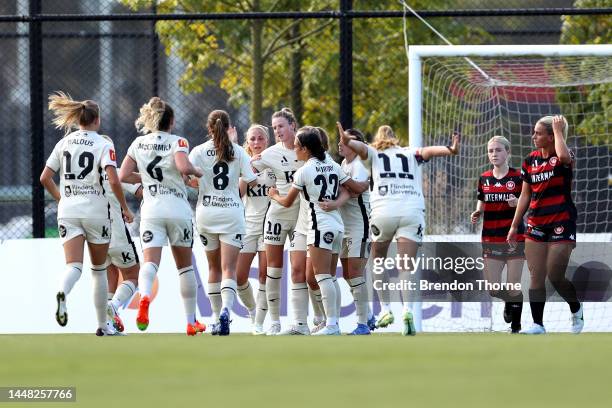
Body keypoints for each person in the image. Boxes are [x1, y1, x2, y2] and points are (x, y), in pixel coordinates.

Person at [338, 123, 460, 336]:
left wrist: (347, 140)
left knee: (377, 260)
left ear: (378, 138)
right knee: (407, 266)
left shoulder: (374, 153)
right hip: (412, 212)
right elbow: (429, 151)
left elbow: (360, 148)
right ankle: (407, 311)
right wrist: (450, 149)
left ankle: (386, 309)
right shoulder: (410, 152)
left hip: (384, 211)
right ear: (395, 139)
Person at [40, 91, 133, 336]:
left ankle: (62, 291)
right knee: (99, 270)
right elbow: (113, 179)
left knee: (73, 266)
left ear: (78, 118)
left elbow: (45, 178)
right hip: (95, 210)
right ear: (97, 120)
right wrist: (124, 207)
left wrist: (62, 199)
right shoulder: (103, 143)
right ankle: (102, 326)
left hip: (68, 210)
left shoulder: (64, 143)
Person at [119, 97, 205, 336]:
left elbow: (124, 175)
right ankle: (190, 321)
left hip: (151, 210)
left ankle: (144, 298)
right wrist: (198, 172)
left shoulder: (138, 142)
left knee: (150, 263)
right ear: (172, 121)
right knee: (185, 268)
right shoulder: (178, 141)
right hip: (177, 209)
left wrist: (146, 179)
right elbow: (184, 167)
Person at [268, 126, 366, 335]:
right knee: (329, 277)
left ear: (305, 149)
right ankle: (331, 323)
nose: (294, 150)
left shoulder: (304, 171)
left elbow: (286, 202)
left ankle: (331, 325)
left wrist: (274, 194)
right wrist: (368, 181)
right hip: (337, 226)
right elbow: (356, 188)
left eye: (296, 147)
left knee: (322, 277)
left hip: (319, 227)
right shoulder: (332, 165)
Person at [507, 115, 583, 335]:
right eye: (534, 132)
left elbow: (563, 156)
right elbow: (524, 195)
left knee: (555, 275)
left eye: (538, 133)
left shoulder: (564, 156)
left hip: (562, 221)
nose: (533, 137)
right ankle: (538, 325)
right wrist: (514, 225)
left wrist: (559, 131)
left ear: (551, 136)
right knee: (536, 275)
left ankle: (576, 308)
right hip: (536, 223)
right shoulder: (529, 160)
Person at [189, 110, 257, 336]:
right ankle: (227, 310)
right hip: (232, 213)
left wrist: (200, 184)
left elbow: (186, 176)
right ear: (229, 128)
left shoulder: (198, 151)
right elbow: (251, 180)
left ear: (208, 128)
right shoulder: (238, 151)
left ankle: (217, 318)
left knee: (213, 268)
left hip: (206, 213)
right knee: (229, 268)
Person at [251, 108, 305, 335]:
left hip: (302, 216)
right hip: (277, 215)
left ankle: (305, 323)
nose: (277, 131)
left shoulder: (307, 149)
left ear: (293, 125)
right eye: (274, 128)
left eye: (281, 126)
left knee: (300, 271)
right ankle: (274, 322)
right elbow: (247, 169)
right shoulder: (270, 153)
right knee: (274, 269)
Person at [320, 128, 374, 335]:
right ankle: (368, 315)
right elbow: (346, 189)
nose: (339, 144)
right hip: (344, 225)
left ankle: (362, 324)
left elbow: (356, 189)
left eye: (343, 141)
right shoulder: (343, 164)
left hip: (359, 225)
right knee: (349, 275)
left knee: (355, 273)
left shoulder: (360, 163)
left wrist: (335, 202)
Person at [470, 136, 524, 333]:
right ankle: (510, 300)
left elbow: (529, 203)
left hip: (514, 237)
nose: (494, 154)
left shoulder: (518, 177)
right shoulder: (484, 178)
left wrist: (517, 203)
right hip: (490, 237)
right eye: (491, 151)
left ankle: (516, 327)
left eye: (498, 150)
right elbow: (481, 200)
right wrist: (478, 211)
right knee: (493, 289)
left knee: (513, 285)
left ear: (508, 152)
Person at [235, 125, 275, 335]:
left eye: (261, 138)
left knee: (264, 275)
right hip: (248, 225)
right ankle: (252, 309)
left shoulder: (275, 162)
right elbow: (238, 193)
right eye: (253, 139)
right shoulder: (244, 163)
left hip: (270, 225)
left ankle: (259, 323)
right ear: (248, 142)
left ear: (266, 141)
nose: (257, 143)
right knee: (239, 276)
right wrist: (248, 173)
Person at [102, 155, 143, 333]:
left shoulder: (85, 177)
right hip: (117, 233)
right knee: (134, 275)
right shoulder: (114, 173)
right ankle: (114, 306)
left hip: (96, 235)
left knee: (110, 276)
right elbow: (140, 191)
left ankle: (107, 324)